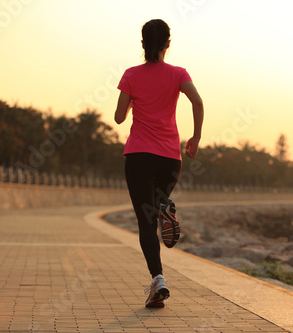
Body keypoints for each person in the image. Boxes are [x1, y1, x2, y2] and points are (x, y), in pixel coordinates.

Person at [114, 19, 204, 308]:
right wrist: (195, 139)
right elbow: (198, 102)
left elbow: (118, 117)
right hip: (170, 158)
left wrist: (132, 101)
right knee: (157, 205)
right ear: (168, 43)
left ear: (143, 44)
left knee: (145, 221)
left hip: (139, 156)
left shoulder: (130, 74)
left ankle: (158, 279)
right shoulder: (179, 73)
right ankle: (165, 205)